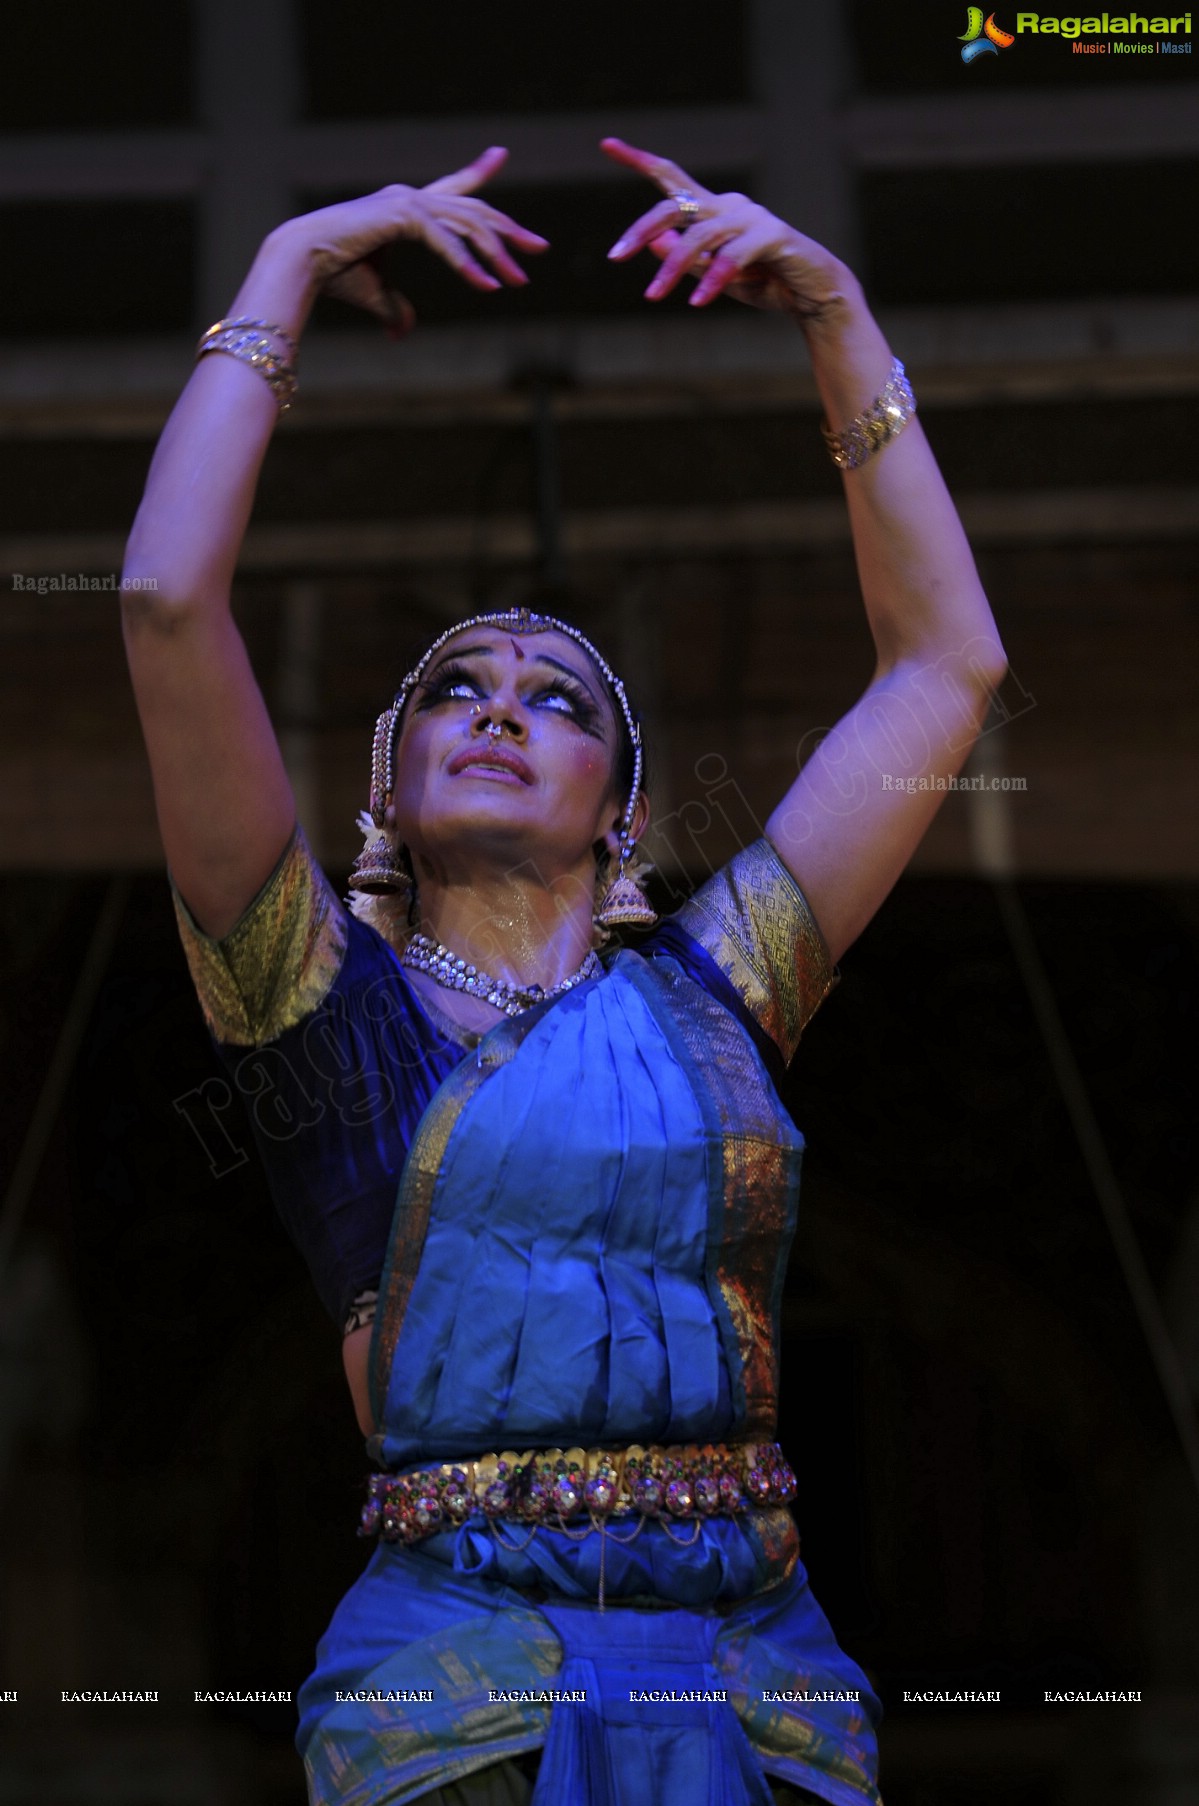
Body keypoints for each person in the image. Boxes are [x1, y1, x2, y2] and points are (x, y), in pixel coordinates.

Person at [121, 139, 1007, 1806]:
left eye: (559, 695)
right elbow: (169, 603)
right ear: (382, 786)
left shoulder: (716, 992)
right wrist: (288, 264)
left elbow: (951, 667)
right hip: (453, 1700)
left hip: (761, 1673)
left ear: (628, 811)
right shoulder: (320, 1019)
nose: (506, 705)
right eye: (456, 687)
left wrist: (836, 311)